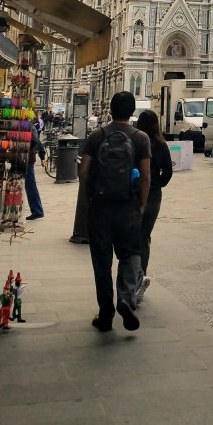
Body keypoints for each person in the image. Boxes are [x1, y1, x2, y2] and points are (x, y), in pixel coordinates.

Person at [78, 92, 151, 332]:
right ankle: (125, 299)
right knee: (130, 256)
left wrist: (89, 198)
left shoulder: (97, 135)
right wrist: (140, 205)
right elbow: (146, 176)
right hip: (127, 208)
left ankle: (105, 313)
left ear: (110, 109)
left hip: (100, 208)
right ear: (132, 112)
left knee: (102, 262)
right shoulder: (141, 138)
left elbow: (84, 171)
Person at [133, 109, 173, 305]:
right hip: (154, 197)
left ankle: (133, 278)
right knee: (144, 238)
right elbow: (168, 173)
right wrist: (157, 184)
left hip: (134, 195)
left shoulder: (134, 142)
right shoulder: (161, 145)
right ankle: (141, 277)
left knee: (131, 237)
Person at [25, 123, 46, 221]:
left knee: (30, 184)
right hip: (25, 158)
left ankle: (37, 210)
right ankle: (37, 210)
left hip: (27, 158)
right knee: (29, 184)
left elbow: (35, 141)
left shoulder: (27, 125)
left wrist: (42, 156)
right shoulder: (29, 124)